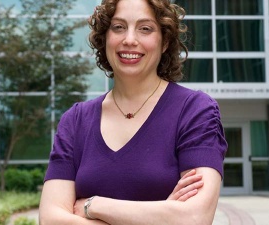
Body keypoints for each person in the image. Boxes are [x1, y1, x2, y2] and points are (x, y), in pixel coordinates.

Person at [39, 0, 228, 224]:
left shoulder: (195, 111)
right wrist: (162, 215)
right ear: (105, 38)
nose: (129, 39)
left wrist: (94, 206)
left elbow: (194, 218)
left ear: (165, 41)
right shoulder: (76, 120)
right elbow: (51, 219)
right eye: (118, 27)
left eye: (145, 28)